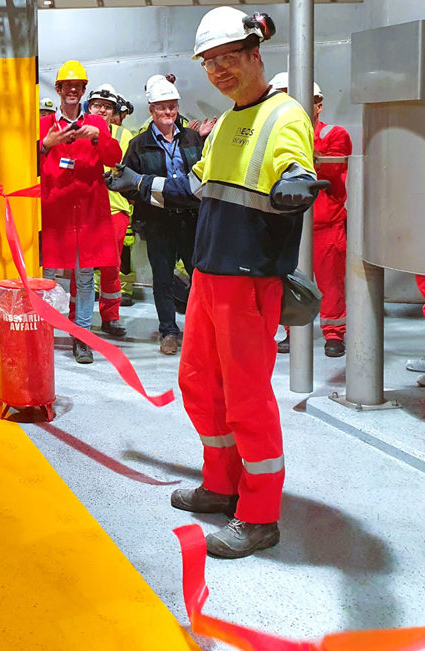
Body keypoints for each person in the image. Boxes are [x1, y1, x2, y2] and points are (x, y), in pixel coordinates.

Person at [107, 6, 329, 558]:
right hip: (208, 275)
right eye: (210, 62)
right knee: (200, 384)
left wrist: (299, 184)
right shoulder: (226, 122)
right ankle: (221, 484)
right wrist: (142, 185)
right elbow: (196, 191)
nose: (220, 70)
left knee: (248, 399)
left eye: (229, 57)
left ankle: (258, 515)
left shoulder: (285, 116)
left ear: (256, 54)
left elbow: (296, 167)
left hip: (250, 281)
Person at [39, 60, 122, 364]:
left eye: (78, 86)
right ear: (58, 90)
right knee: (48, 277)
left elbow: (114, 158)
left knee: (85, 275)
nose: (72, 90)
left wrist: (98, 138)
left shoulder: (97, 124)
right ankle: (43, 332)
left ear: (83, 90)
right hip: (55, 212)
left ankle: (82, 336)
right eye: (67, 85)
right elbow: (27, 165)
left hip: (88, 212)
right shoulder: (45, 126)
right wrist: (45, 145)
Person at [120, 78, 204, 355]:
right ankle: (169, 330)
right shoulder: (138, 145)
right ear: (152, 110)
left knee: (200, 277)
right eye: (162, 108)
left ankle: (199, 329)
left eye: (172, 107)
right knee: (163, 279)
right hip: (159, 222)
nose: (168, 113)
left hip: (191, 219)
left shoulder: (192, 139)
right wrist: (155, 198)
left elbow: (202, 175)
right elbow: (129, 185)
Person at [276, 82, 351, 358]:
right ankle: (292, 332)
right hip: (292, 223)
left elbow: (328, 173)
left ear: (319, 105)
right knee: (291, 281)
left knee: (331, 283)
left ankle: (334, 333)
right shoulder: (285, 135)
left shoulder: (335, 134)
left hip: (327, 225)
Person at [85, 83, 135, 334]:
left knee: (110, 266)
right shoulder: (77, 130)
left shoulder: (123, 136)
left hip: (114, 208)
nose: (102, 110)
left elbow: (124, 167)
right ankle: (79, 318)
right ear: (89, 107)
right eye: (97, 105)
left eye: (107, 107)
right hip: (84, 209)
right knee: (80, 269)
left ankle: (110, 316)